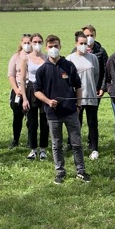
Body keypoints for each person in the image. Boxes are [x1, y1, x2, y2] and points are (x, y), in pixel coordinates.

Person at [34, 35, 90, 184]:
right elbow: (36, 91)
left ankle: (81, 171)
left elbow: (78, 86)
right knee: (56, 145)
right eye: (51, 46)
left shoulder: (69, 66)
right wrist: (48, 101)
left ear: (60, 47)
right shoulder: (42, 70)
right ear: (46, 48)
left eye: (56, 46)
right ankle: (60, 172)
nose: (53, 49)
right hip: (53, 114)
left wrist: (78, 105)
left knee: (77, 143)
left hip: (71, 112)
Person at [67, 31, 100, 160]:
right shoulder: (70, 59)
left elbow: (96, 75)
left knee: (92, 123)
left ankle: (94, 148)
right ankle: (76, 147)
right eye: (81, 43)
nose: (84, 45)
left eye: (85, 43)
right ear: (76, 43)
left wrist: (93, 88)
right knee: (76, 124)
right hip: (76, 98)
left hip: (90, 96)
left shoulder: (93, 58)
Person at [19, 33, 49, 161]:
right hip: (31, 89)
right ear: (31, 43)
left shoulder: (47, 57)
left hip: (44, 90)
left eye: (39, 41)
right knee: (32, 122)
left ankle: (43, 149)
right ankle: (33, 149)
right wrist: (24, 98)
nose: (37, 44)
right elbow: (22, 79)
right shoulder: (25, 58)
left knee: (44, 122)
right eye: (35, 42)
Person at [7, 34, 33, 149]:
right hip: (17, 90)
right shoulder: (16, 57)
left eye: (29, 43)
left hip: (31, 89)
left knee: (31, 117)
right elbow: (11, 75)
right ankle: (15, 140)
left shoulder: (35, 56)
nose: (27, 45)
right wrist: (16, 89)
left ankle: (30, 140)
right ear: (21, 43)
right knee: (17, 116)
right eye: (25, 43)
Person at [82, 24, 108, 97]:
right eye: (87, 35)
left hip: (96, 89)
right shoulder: (76, 51)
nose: (89, 38)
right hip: (81, 89)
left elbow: (106, 71)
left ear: (95, 36)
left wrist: (102, 88)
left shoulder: (101, 52)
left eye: (91, 35)